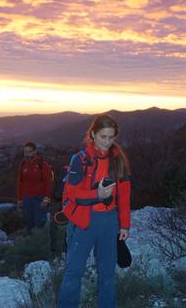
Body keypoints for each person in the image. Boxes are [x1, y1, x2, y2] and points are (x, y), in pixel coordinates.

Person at [57, 114, 131, 308]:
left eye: (111, 137)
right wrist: (96, 195)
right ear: (93, 134)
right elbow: (72, 193)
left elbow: (124, 195)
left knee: (107, 273)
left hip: (109, 222)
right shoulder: (79, 160)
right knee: (74, 272)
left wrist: (124, 224)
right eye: (103, 137)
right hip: (84, 222)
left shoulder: (119, 160)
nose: (107, 142)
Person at [16, 141, 53, 232]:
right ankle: (31, 241)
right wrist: (20, 199)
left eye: (29, 152)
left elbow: (48, 183)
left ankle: (42, 242)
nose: (27, 154)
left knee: (40, 222)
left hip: (39, 199)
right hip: (26, 199)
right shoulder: (23, 164)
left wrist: (46, 199)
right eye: (25, 152)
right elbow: (20, 183)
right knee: (29, 223)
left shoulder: (43, 165)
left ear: (35, 152)